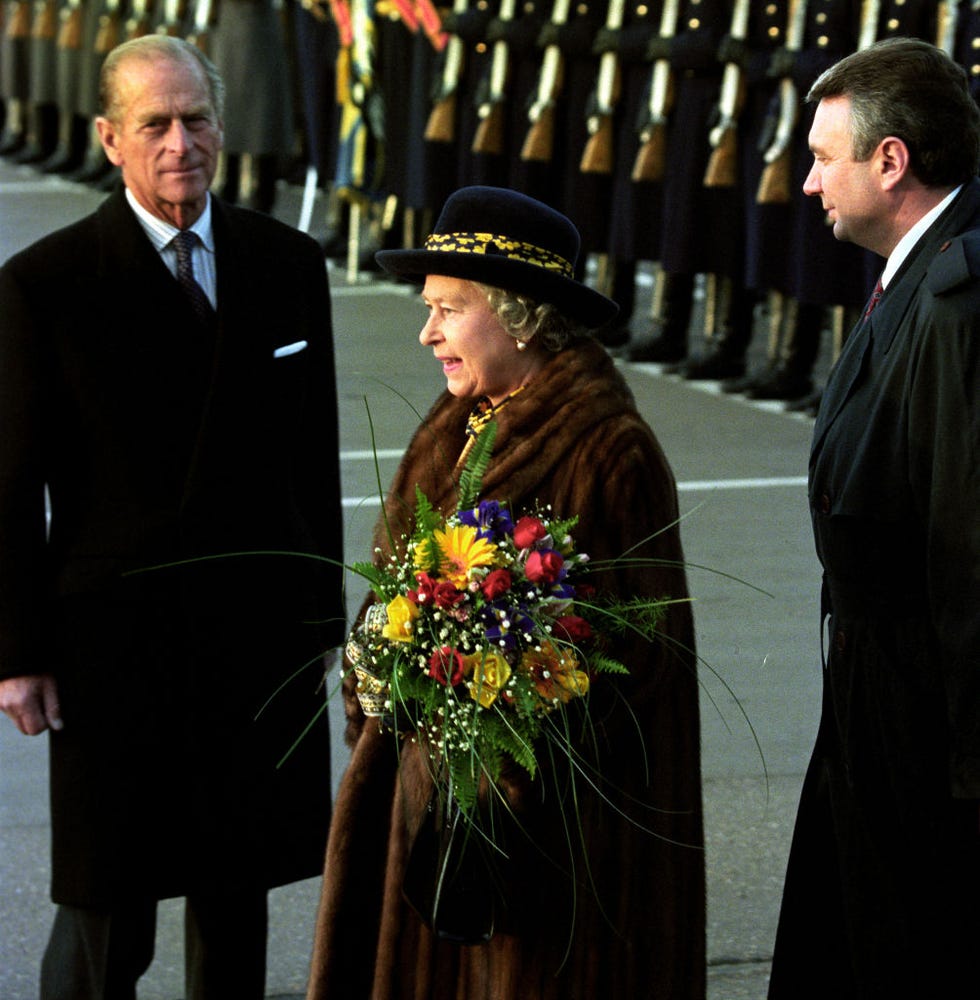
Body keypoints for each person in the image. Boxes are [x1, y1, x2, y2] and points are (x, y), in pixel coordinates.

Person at [0, 35, 344, 1000]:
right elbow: (11, 483)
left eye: (196, 120)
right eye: (155, 124)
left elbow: (309, 459)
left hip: (253, 641)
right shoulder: (47, 285)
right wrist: (18, 652)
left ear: (222, 128)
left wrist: (322, 622)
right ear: (110, 138)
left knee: (236, 899)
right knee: (108, 912)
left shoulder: (286, 264)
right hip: (115, 650)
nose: (179, 143)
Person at [306, 185, 706, 999]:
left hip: (544, 852)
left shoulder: (609, 450)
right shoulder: (460, 421)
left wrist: (502, 696)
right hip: (435, 822)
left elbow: (642, 659)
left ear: (520, 314)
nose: (428, 333)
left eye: (449, 309)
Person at [768, 37, 980, 998]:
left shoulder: (956, 300)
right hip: (875, 692)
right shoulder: (918, 269)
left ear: (891, 161)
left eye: (824, 156)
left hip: (923, 727)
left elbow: (965, 543)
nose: (808, 181)